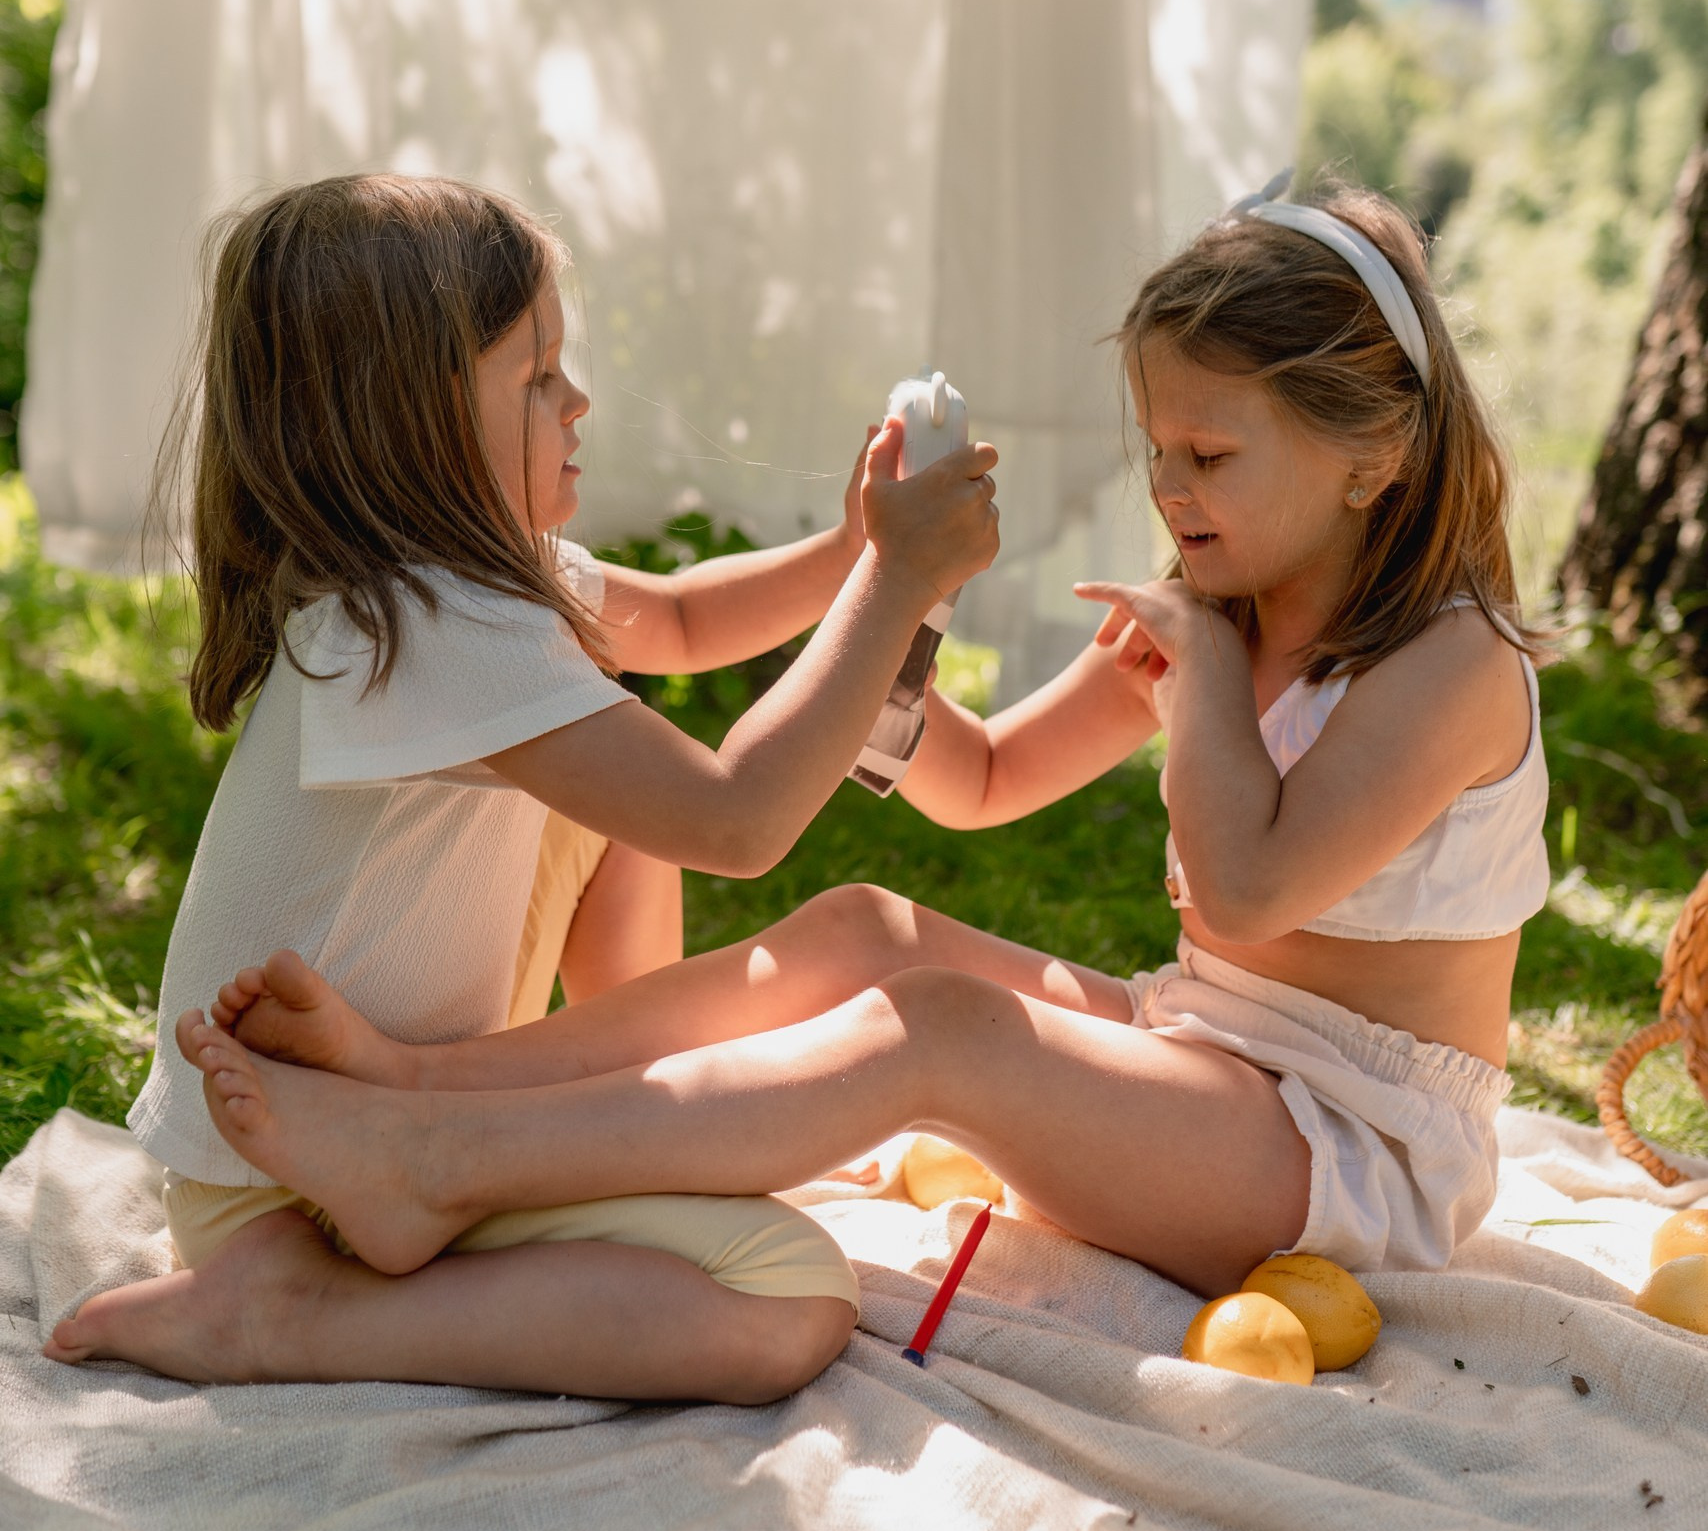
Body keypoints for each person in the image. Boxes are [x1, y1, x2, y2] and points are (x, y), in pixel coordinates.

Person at [56, 179, 1550, 1342]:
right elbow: (980, 784)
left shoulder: (1449, 665)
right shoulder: (1216, 631)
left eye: (1207, 459)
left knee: (941, 1032)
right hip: (1208, 1053)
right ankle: (425, 1089)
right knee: (864, 932)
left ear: (1376, 457)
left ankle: (448, 1155)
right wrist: (888, 619)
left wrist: (1206, 684)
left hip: (1350, 1156)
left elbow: (1246, 887)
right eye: (1156, 450)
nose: (1167, 491)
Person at [43, 173, 999, 1400]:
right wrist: (894, 585)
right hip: (295, 1185)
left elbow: (683, 620)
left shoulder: (451, 590)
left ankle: (614, 1124)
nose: (577, 400)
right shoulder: (433, 627)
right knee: (783, 1296)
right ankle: (292, 1314)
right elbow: (735, 818)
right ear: (417, 422)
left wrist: (852, 550)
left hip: (333, 1127)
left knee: (617, 756)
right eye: (538, 376)